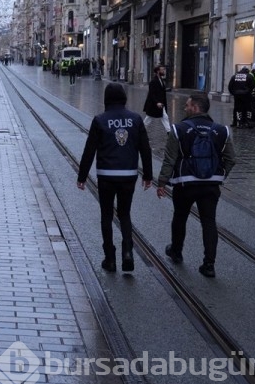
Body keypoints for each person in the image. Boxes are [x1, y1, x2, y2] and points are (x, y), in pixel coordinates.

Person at [157, 92, 236, 278]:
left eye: (187, 105)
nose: (185, 108)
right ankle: (209, 265)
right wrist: (220, 174)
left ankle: (176, 251)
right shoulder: (221, 130)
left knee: (180, 217)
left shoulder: (179, 129)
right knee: (209, 222)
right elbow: (231, 159)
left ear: (195, 108)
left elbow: (170, 159)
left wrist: (162, 182)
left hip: (185, 184)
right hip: (211, 185)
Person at [77, 83, 153, 273]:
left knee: (106, 215)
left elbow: (89, 150)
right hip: (128, 174)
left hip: (106, 174)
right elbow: (145, 149)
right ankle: (127, 252)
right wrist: (149, 176)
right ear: (124, 98)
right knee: (125, 214)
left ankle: (109, 258)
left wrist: (82, 176)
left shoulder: (100, 120)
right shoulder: (136, 119)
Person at [143, 65, 171, 134]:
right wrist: (157, 102)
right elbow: (151, 94)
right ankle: (141, 131)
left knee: (165, 117)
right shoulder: (153, 81)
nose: (164, 71)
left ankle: (169, 132)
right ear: (158, 71)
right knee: (148, 119)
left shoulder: (161, 80)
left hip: (161, 103)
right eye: (162, 70)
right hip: (153, 104)